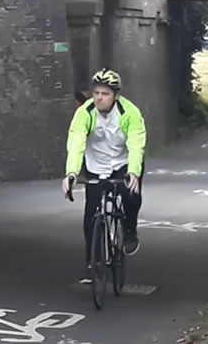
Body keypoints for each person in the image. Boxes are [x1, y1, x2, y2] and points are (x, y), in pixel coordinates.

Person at [61, 69, 147, 283]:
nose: (99, 97)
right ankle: (93, 263)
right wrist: (71, 173)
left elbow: (136, 144)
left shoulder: (130, 112)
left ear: (115, 96)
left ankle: (129, 230)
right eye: (96, 92)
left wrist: (133, 173)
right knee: (91, 211)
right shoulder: (84, 112)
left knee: (130, 194)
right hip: (95, 164)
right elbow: (76, 142)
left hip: (123, 162)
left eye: (105, 94)